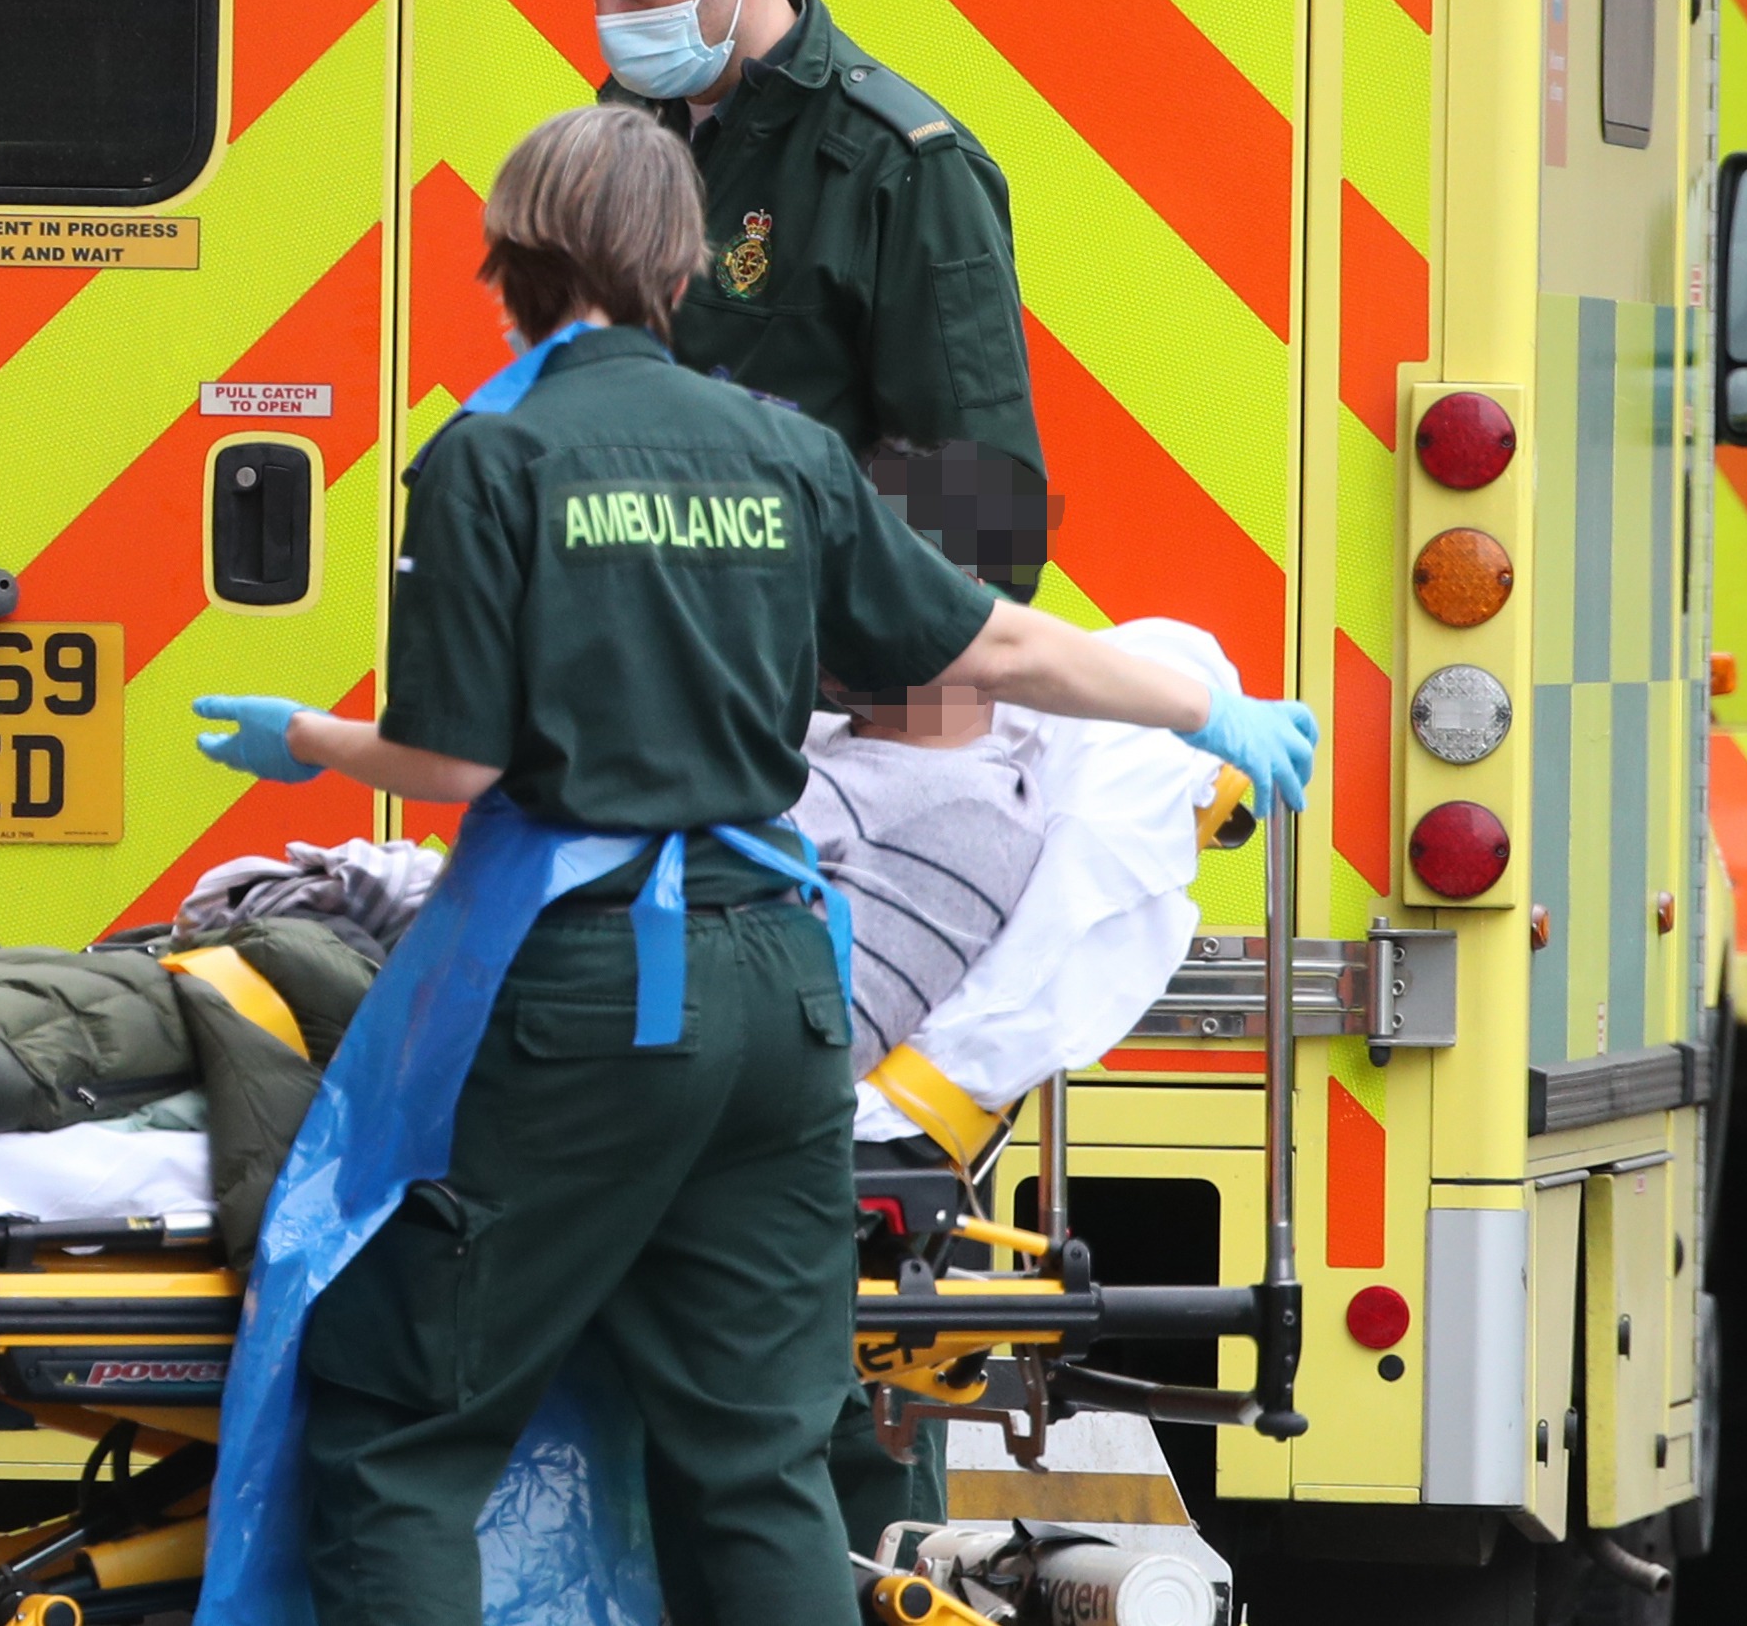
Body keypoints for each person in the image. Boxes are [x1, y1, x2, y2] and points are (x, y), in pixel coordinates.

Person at [184, 106, 1319, 1626]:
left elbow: (454, 767)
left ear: (506, 263)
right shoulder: (785, 451)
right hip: (781, 984)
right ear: (680, 268)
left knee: (402, 1425)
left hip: (596, 986)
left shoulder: (490, 455)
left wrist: (311, 738)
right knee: (756, 1460)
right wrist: (1202, 709)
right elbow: (997, 643)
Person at [573, 0, 1046, 522]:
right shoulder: (626, 126)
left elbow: (984, 519)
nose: (608, 18)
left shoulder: (899, 167)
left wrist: (782, 565)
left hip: (796, 596)